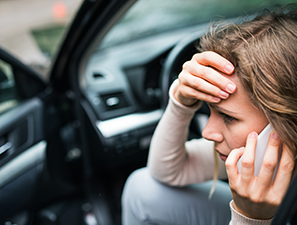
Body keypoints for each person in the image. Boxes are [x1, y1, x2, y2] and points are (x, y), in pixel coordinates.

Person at [122, 5, 297, 225]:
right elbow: (167, 172)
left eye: (229, 117)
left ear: (287, 123)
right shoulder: (250, 152)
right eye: (209, 110)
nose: (207, 132)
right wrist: (181, 101)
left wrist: (250, 219)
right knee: (143, 187)